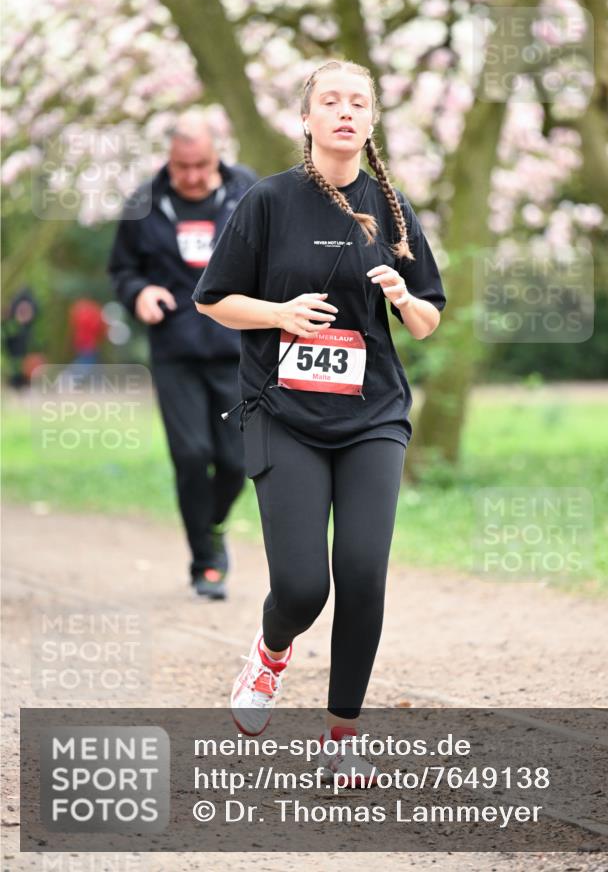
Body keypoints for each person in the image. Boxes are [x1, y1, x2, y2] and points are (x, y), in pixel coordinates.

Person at [193, 61, 445, 783]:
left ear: (370, 122)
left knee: (362, 572)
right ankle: (271, 652)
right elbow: (212, 300)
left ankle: (343, 735)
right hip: (283, 414)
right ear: (305, 119)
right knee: (304, 586)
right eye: (329, 101)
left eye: (357, 103)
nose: (343, 112)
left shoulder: (394, 211)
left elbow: (427, 322)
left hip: (373, 416)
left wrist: (402, 296)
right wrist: (279, 315)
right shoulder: (267, 202)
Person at [109, 111, 258, 599]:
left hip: (238, 347)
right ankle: (206, 562)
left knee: (237, 461)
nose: (191, 177)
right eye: (181, 167)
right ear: (169, 161)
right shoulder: (143, 203)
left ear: (217, 155)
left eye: (201, 165)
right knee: (191, 455)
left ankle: (212, 523)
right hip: (176, 350)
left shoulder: (249, 195)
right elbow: (122, 267)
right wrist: (139, 293)